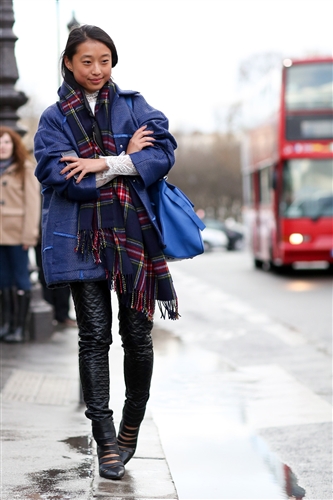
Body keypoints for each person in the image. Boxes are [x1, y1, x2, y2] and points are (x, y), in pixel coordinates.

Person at [34, 25, 179, 481]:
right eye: (87, 62)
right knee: (94, 336)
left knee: (138, 336)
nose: (97, 70)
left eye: (105, 61)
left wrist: (101, 162)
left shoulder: (136, 106)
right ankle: (104, 435)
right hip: (80, 237)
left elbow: (162, 154)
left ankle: (131, 422)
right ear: (69, 65)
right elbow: (62, 178)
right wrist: (126, 161)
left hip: (133, 236)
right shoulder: (53, 118)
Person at [0, 126, 40, 343]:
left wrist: (29, 235)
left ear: (14, 144)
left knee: (21, 280)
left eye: (6, 142)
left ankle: (19, 328)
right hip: (0, 236)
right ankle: (6, 324)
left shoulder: (25, 168)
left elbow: (32, 204)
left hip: (17, 235)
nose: (2, 147)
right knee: (3, 280)